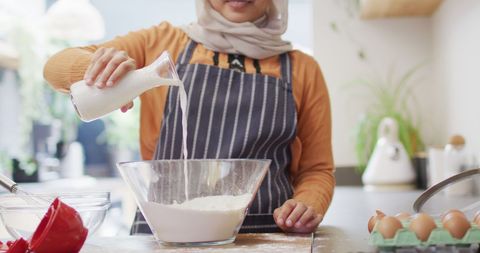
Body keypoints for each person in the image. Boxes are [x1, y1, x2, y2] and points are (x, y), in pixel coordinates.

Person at [43, 0, 335, 234]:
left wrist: (306, 205)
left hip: (265, 235)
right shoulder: (163, 42)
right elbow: (55, 67)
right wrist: (101, 69)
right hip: (166, 236)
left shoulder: (302, 68)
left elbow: (317, 170)